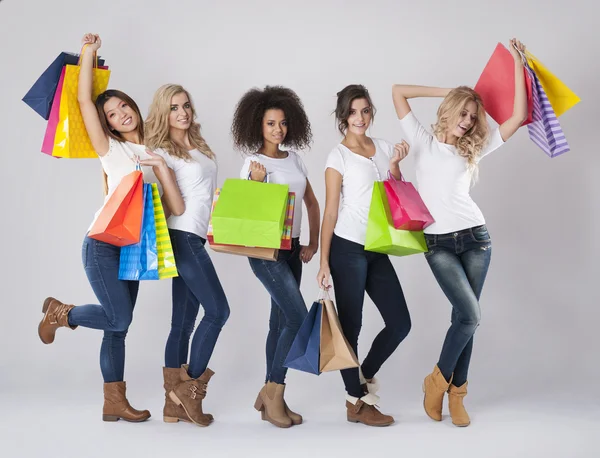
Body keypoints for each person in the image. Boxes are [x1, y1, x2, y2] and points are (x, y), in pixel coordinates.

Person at [37, 34, 184, 422]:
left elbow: (170, 208)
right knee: (119, 318)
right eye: (113, 114)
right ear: (107, 125)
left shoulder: (155, 150)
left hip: (136, 245)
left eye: (124, 107)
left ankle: (113, 403)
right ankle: (61, 313)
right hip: (102, 244)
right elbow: (85, 100)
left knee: (117, 329)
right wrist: (88, 54)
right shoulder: (111, 150)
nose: (122, 115)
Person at [392, 38, 528, 427]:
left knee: (464, 317)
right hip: (437, 245)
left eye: (473, 116)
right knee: (471, 315)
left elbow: (517, 117)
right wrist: (449, 91)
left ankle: (455, 392)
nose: (468, 121)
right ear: (450, 111)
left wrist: (518, 65)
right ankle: (438, 382)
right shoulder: (423, 141)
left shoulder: (475, 147)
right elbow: (398, 92)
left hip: (476, 240)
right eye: (463, 113)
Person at [317, 84, 411, 427]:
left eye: (366, 110)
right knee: (350, 328)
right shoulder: (337, 156)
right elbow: (330, 212)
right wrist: (324, 261)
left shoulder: (385, 148)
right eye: (353, 112)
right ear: (343, 116)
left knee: (401, 323)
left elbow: (397, 195)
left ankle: (361, 379)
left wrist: (397, 166)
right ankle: (357, 402)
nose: (360, 118)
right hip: (346, 247)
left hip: (376, 247)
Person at [232, 86, 319, 428]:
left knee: (280, 322)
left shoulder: (294, 159)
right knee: (298, 319)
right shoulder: (252, 164)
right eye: (271, 124)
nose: (278, 130)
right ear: (258, 125)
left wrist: (310, 243)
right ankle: (275, 390)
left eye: (282, 123)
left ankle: (270, 395)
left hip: (293, 247)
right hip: (266, 252)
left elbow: (310, 202)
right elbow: (246, 212)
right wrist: (256, 182)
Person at [145, 84, 230, 427]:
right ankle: (190, 390)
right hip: (180, 236)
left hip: (197, 235)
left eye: (186, 106)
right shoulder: (160, 151)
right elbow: (167, 201)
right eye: (174, 108)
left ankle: (171, 405)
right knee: (219, 310)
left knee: (182, 323)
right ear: (163, 113)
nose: (182, 113)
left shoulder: (199, 145)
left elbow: (201, 192)